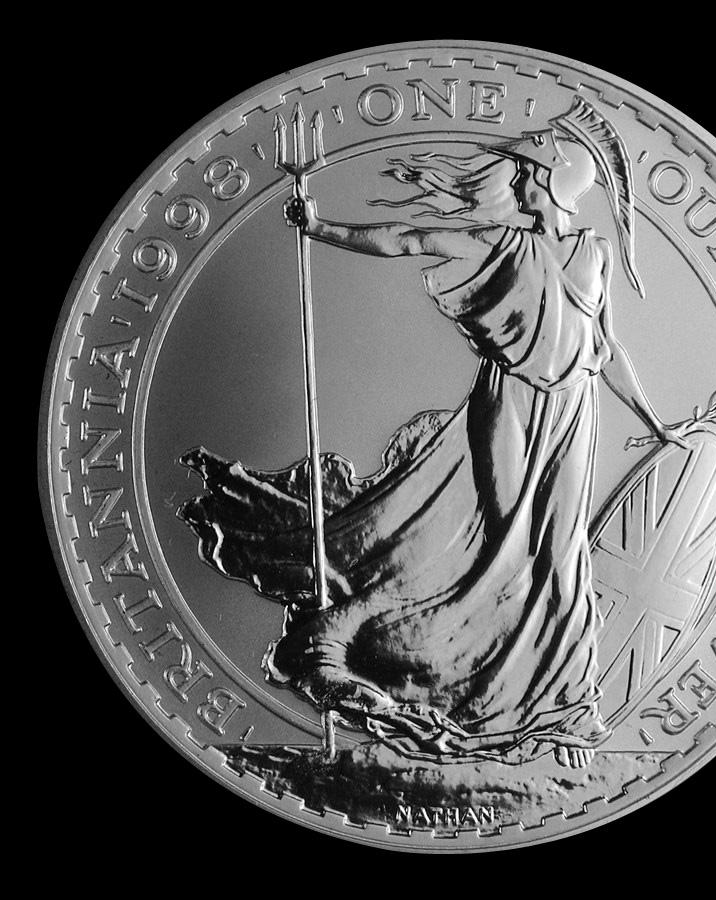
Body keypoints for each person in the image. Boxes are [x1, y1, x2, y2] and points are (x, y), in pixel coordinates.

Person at [178, 97, 687, 767]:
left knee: (562, 555)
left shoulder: (594, 254)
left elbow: (607, 346)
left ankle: (566, 709)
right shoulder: (500, 243)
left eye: (529, 172)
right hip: (507, 406)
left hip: (573, 414)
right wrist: (320, 227)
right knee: (508, 551)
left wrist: (654, 422)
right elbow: (406, 238)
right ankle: (484, 690)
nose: (517, 180)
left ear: (557, 180)